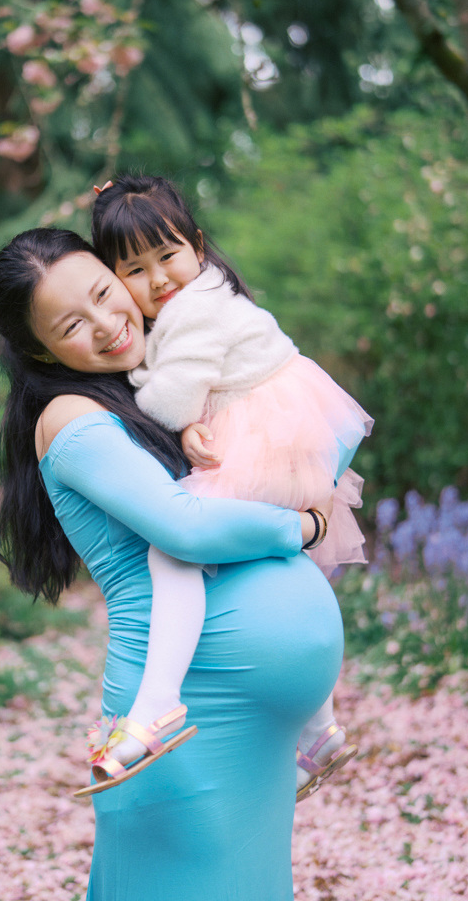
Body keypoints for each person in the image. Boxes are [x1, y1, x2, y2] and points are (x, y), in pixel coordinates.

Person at [0, 228, 344, 900]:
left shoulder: (152, 388)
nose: (105, 322)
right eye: (71, 323)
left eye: (102, 292)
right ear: (38, 349)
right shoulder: (69, 416)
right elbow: (183, 527)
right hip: (186, 719)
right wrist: (303, 527)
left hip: (247, 724)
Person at [91, 174, 373, 801]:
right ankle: (319, 725)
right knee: (265, 567)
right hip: (271, 424)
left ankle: (159, 703)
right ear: (117, 279)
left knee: (175, 548)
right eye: (136, 270)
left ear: (195, 245)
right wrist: (191, 418)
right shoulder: (194, 301)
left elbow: (167, 397)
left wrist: (141, 388)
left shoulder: (198, 308)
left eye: (167, 256)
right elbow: (185, 395)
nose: (159, 279)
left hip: (271, 433)